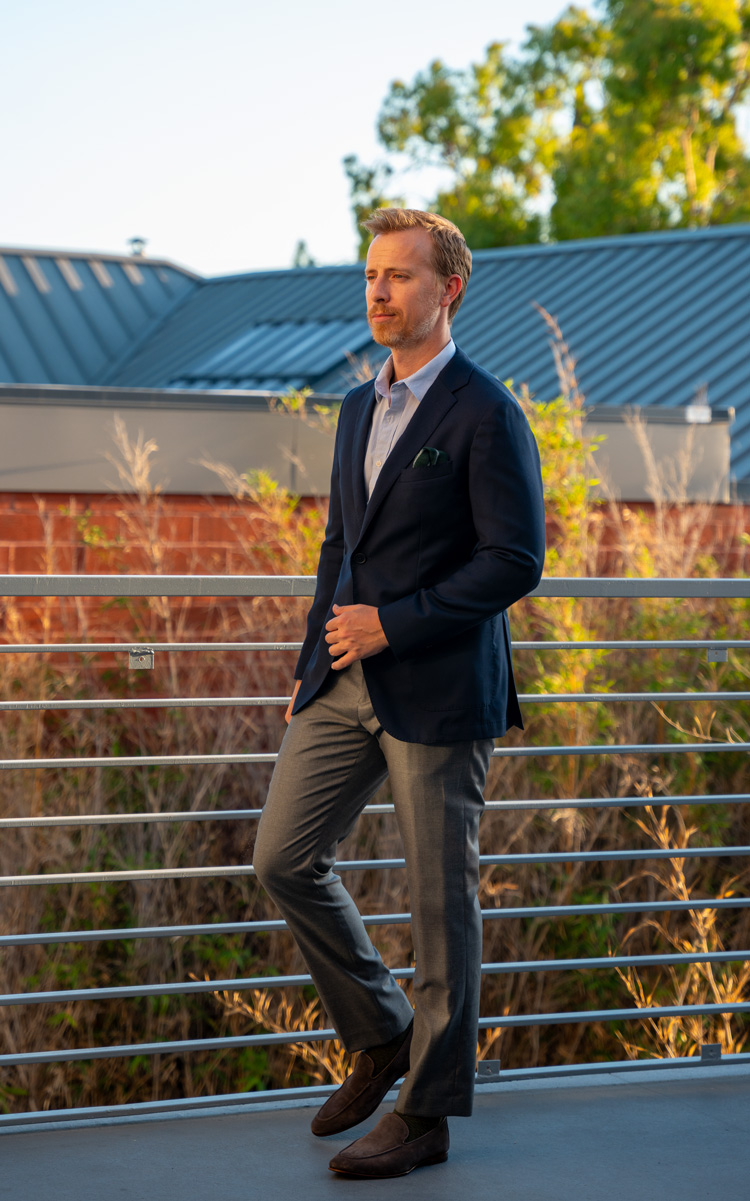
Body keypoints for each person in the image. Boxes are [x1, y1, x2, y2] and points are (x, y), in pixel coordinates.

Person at [253, 207, 545, 1178]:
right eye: (372, 275)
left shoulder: (484, 412)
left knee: (438, 909)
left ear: (448, 288)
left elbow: (514, 560)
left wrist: (398, 619)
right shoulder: (353, 409)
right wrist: (311, 667)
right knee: (283, 857)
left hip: (442, 685)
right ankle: (381, 1032)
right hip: (345, 681)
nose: (379, 292)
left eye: (401, 277)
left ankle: (424, 1116)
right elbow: (339, 551)